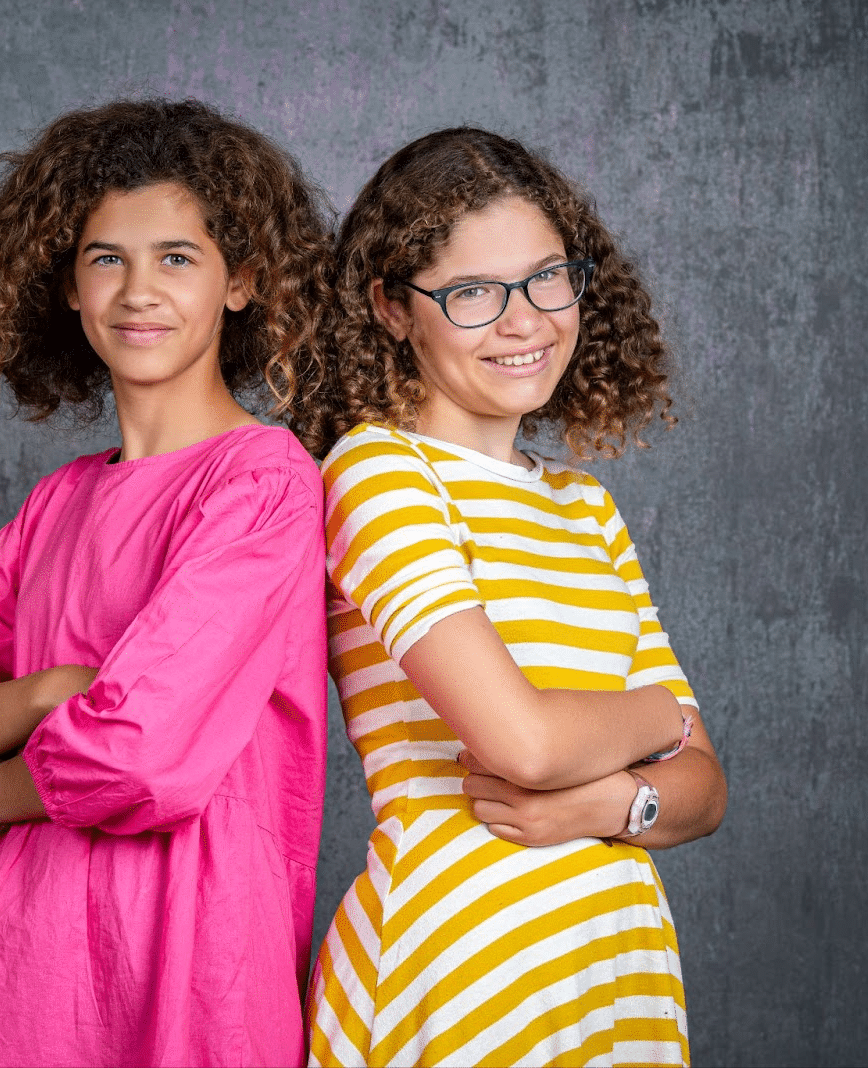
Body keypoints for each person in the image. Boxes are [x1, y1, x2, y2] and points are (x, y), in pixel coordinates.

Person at [0, 98, 334, 1068]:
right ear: (68, 290)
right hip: (20, 961)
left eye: (177, 257)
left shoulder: (264, 483)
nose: (136, 292)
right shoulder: (54, 506)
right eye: (104, 259)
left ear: (240, 282)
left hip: (187, 960)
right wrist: (46, 692)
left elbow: (138, 755)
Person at [287, 128, 727, 1067]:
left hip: (616, 970)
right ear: (394, 310)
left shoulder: (583, 505)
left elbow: (706, 790)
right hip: (460, 970)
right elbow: (519, 741)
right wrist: (658, 717)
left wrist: (606, 805)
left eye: (546, 279)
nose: (525, 321)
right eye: (474, 294)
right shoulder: (378, 474)